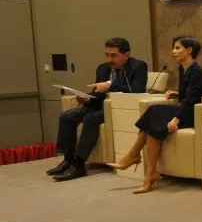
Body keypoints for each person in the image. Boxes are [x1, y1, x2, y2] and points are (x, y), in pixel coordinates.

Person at [107, 35, 202, 194]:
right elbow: (190, 94)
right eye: (173, 48)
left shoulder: (197, 72)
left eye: (178, 48)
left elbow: (192, 101)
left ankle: (134, 157)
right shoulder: (183, 69)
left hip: (195, 114)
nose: (173, 51)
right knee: (153, 122)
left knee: (154, 112)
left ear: (189, 50)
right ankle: (149, 172)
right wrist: (177, 94)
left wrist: (176, 120)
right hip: (186, 109)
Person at [47, 37, 148, 181]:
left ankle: (79, 165)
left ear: (126, 55)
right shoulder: (102, 68)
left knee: (91, 119)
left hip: (117, 108)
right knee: (66, 116)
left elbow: (137, 89)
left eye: (114, 55)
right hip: (98, 104)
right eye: (107, 55)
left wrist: (110, 85)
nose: (110, 59)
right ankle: (68, 160)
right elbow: (98, 93)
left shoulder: (138, 66)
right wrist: (87, 98)